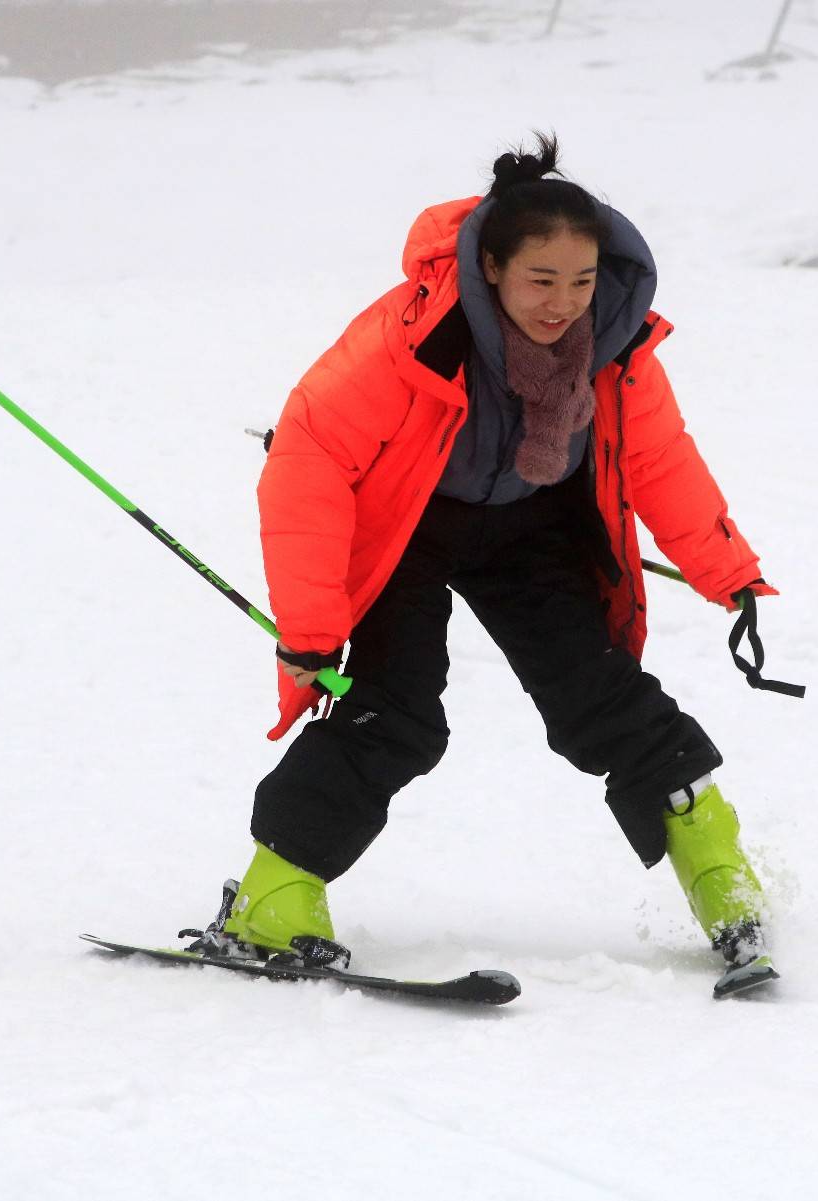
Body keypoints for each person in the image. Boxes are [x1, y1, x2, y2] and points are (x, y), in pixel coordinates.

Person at [200, 134, 787, 988]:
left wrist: (726, 569)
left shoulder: (613, 343)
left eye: (581, 281)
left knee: (603, 696)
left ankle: (722, 878)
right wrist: (313, 628)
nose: (563, 303)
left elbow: (658, 457)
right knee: (393, 712)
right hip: (403, 526)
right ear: (492, 268)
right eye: (540, 280)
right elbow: (310, 460)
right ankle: (270, 899)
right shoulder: (410, 338)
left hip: (526, 524)